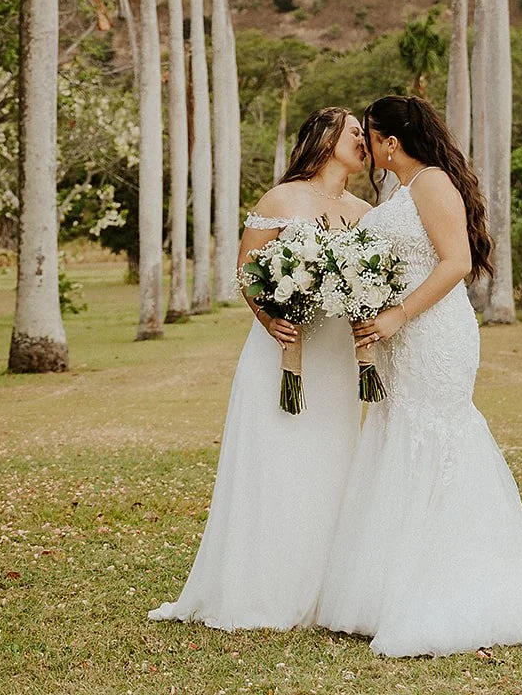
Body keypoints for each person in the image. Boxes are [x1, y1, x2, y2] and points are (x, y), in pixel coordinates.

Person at [316, 94, 522, 657]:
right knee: (399, 435)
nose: (364, 145)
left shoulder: (433, 183)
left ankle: (453, 583)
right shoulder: (397, 190)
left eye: (370, 135)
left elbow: (456, 263)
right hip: (399, 333)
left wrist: (396, 315)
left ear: (391, 142)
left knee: (436, 436)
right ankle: (392, 585)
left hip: (433, 332)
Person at [148, 106, 369, 631]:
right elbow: (248, 273)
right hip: (281, 352)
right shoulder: (281, 199)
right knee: (276, 463)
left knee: (330, 465)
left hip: (334, 359)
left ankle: (323, 594)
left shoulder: (364, 210)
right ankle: (260, 589)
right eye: (355, 132)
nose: (365, 140)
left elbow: (368, 282)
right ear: (324, 138)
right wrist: (271, 319)